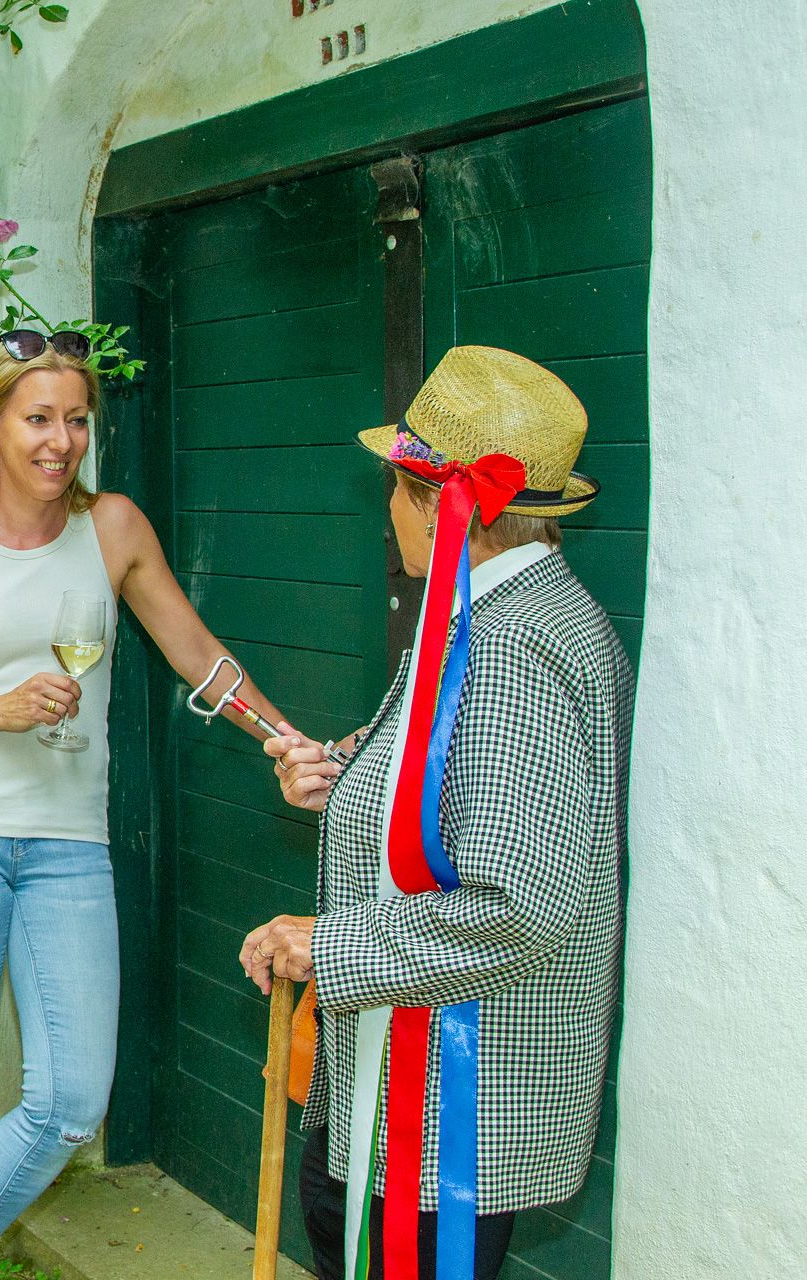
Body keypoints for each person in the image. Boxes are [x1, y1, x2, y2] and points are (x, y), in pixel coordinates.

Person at [0, 330, 280, 1280]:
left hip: (68, 846)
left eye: (77, 420)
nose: (61, 441)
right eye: (39, 419)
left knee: (73, 1100)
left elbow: (198, 654)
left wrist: (281, 738)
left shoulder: (113, 529)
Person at [242, 346, 632, 1280]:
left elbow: (517, 901)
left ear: (437, 503)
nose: (386, 505)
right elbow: (466, 783)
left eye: (394, 485)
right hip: (413, 1088)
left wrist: (325, 945)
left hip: (453, 1105)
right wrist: (349, 776)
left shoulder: (513, 644)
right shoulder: (497, 611)